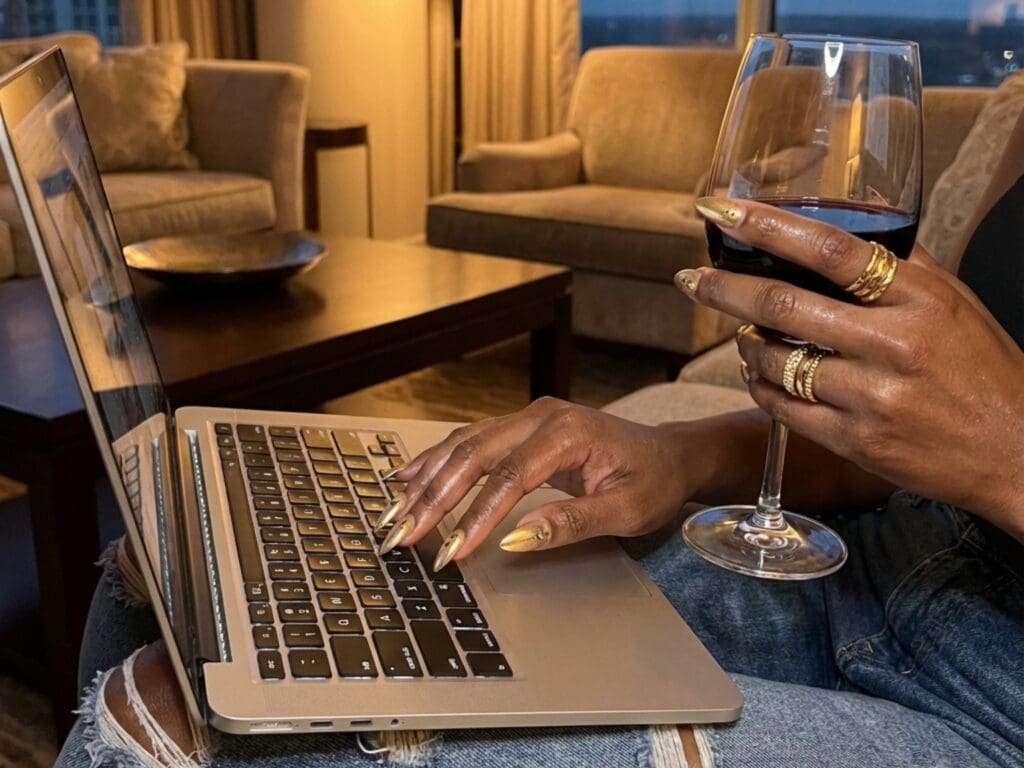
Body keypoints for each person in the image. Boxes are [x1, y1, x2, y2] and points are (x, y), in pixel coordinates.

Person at [56, 165, 1024, 767]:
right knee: (175, 570)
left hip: (990, 709)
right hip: (872, 566)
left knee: (175, 717)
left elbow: (986, 433)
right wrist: (675, 454)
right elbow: (915, 437)